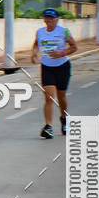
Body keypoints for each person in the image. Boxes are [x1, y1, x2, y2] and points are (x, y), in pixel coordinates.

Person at [31, 8, 77, 138]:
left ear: (57, 19)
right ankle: (48, 126)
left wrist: (60, 53)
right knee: (49, 97)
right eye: (47, 18)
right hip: (47, 67)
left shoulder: (64, 31)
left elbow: (74, 47)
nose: (49, 20)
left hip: (62, 66)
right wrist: (34, 53)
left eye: (51, 18)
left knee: (61, 96)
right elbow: (36, 44)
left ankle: (64, 118)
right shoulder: (40, 32)